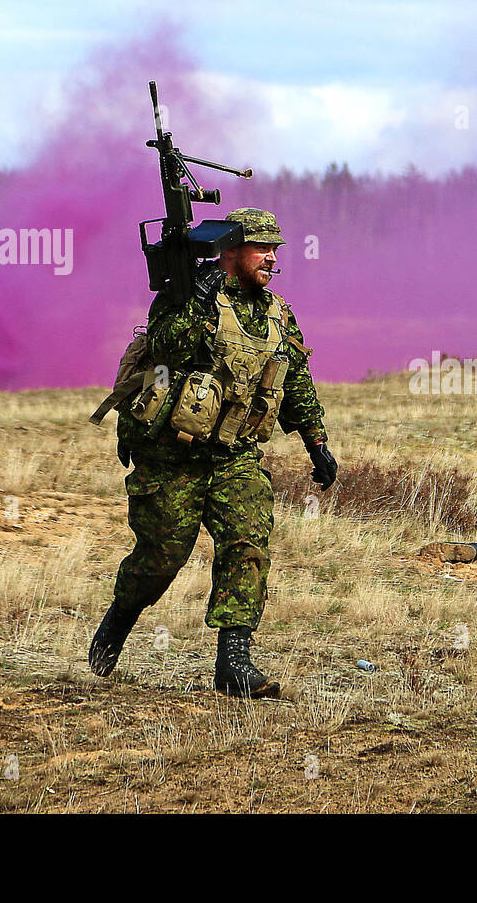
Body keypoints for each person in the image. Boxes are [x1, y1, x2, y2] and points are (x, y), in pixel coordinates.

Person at [89, 207, 337, 697]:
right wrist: (191, 300)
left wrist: (317, 442)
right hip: (170, 456)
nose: (271, 258)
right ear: (230, 251)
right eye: (261, 248)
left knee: (246, 544)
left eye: (275, 250)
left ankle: (234, 663)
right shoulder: (185, 298)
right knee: (162, 557)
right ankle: (121, 616)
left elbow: (296, 379)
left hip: (234, 456)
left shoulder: (278, 313)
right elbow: (165, 350)